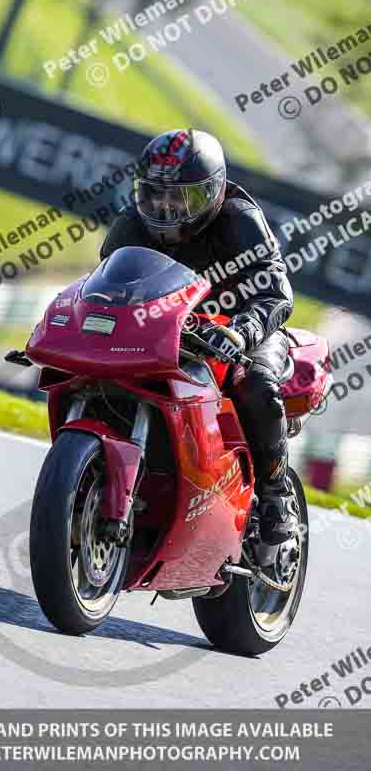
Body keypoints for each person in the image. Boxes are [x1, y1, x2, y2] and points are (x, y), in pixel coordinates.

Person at [100, 129, 298, 546]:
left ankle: (275, 494)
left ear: (212, 193)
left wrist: (242, 333)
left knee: (256, 384)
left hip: (241, 328)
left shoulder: (238, 219)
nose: (166, 207)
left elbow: (275, 291)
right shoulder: (131, 223)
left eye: (181, 198)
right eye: (156, 194)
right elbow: (102, 285)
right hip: (173, 328)